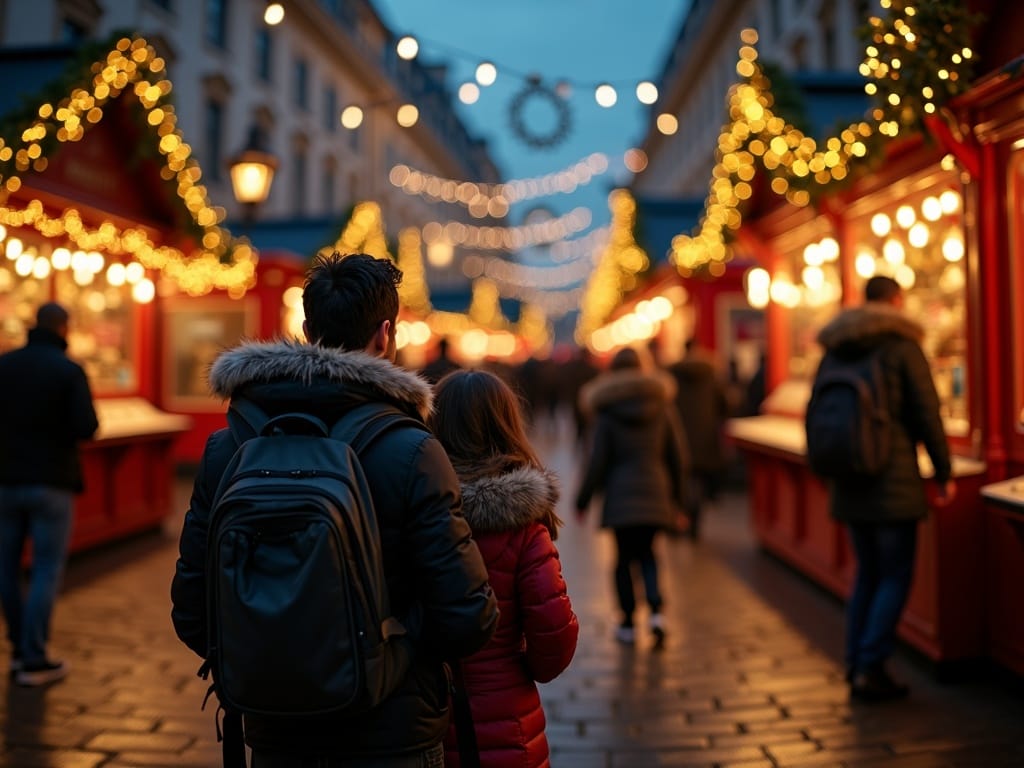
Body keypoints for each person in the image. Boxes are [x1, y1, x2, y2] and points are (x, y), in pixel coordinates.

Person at [170, 253, 499, 766]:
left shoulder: (229, 444)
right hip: (393, 732)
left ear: (306, 328)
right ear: (386, 334)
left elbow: (192, 610)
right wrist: (388, 651)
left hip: (275, 730)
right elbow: (467, 616)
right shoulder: (413, 450)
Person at [813, 275, 955, 702]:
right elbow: (927, 411)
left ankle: (857, 661)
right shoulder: (901, 345)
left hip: (848, 478)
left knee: (867, 573)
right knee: (894, 574)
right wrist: (944, 471)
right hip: (892, 477)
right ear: (896, 301)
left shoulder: (835, 348)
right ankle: (872, 664)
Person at [430, 369, 578, 768]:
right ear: (507, 427)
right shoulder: (525, 529)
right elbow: (554, 639)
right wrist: (516, 668)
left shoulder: (413, 512)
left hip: (425, 720)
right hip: (508, 724)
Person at [0, 302, 99, 686]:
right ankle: (34, 657)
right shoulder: (68, 370)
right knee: (45, 569)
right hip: (52, 482)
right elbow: (86, 426)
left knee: (7, 569)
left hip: (5, 482)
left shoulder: (4, 366)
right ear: (63, 328)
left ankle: (17, 650)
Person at [574, 347, 690, 647]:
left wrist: (582, 500)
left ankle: (627, 621)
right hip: (656, 492)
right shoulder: (663, 404)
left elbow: (597, 461)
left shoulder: (607, 410)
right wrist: (679, 501)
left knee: (624, 559)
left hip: (620, 495)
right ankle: (656, 613)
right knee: (650, 554)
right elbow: (677, 457)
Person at [666, 338, 730, 539]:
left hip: (679, 436)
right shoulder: (711, 375)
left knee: (679, 480)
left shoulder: (672, 375)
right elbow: (724, 405)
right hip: (705, 438)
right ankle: (695, 524)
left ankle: (678, 520)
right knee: (699, 483)